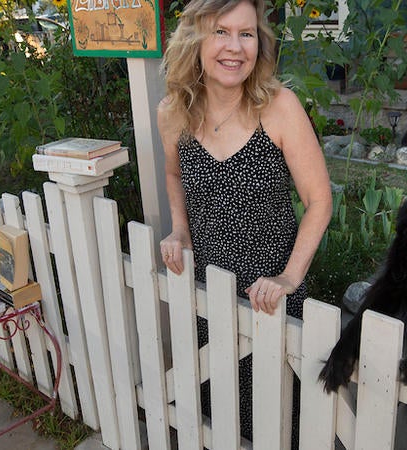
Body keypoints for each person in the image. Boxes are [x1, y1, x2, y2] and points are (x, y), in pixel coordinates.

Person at [156, 0, 332, 443]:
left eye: (247, 34)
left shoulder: (280, 107)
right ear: (195, 38)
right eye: (221, 32)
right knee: (221, 413)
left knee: (279, 418)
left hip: (270, 298)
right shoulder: (173, 112)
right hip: (208, 295)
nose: (235, 47)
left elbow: (319, 200)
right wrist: (180, 227)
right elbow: (174, 173)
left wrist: (289, 278)